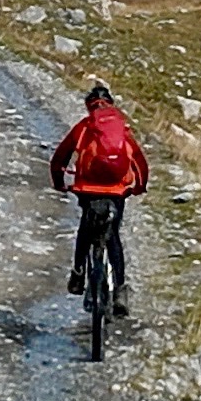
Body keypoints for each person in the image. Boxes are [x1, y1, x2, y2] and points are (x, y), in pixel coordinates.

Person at [50, 80, 145, 314]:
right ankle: (120, 289)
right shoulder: (121, 127)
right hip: (117, 190)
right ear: (110, 104)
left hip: (88, 189)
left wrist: (60, 183)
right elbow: (139, 161)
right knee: (113, 236)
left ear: (88, 105)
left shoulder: (85, 126)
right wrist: (138, 187)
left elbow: (60, 158)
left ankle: (78, 274)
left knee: (85, 228)